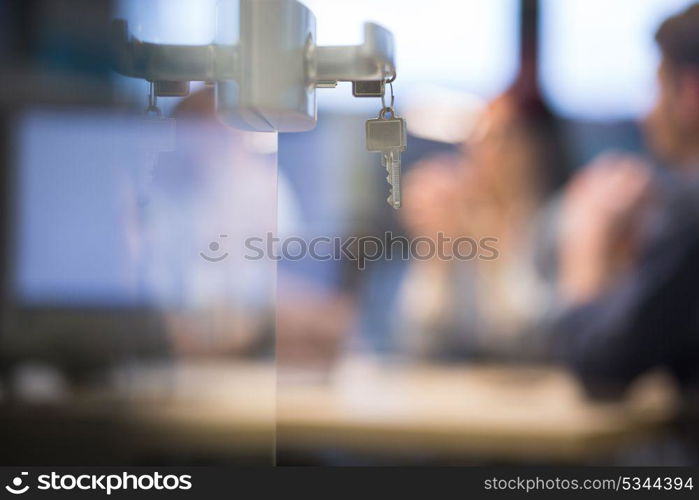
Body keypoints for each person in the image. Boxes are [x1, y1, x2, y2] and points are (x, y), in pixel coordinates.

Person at [557, 4, 699, 407]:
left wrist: (587, 237)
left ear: (690, 92)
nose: (646, 114)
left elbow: (601, 370)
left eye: (656, 88)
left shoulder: (690, 207)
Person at [397, 84, 569, 360]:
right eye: (476, 137)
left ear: (533, 150)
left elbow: (538, 343)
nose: (476, 151)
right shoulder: (468, 226)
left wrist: (498, 259)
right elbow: (421, 344)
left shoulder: (561, 225)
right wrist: (435, 256)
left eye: (496, 137)